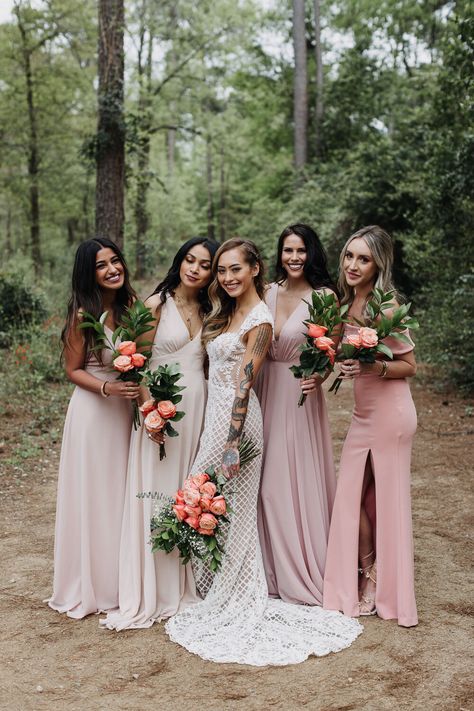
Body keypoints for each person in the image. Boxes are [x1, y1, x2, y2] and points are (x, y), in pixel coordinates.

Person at [165, 238, 362, 666]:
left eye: (235, 269)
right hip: (213, 414)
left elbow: (243, 384)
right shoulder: (226, 310)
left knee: (221, 500)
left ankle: (233, 585)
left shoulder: (260, 319)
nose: (227, 277)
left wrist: (233, 440)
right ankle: (210, 583)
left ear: (255, 269)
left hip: (235, 420)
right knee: (212, 499)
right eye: (221, 270)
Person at [102, 236, 218, 630]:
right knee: (156, 493)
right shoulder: (155, 305)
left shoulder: (210, 308)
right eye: (189, 259)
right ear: (179, 260)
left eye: (204, 264)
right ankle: (152, 587)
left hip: (197, 409)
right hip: (161, 414)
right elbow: (135, 364)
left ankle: (183, 583)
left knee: (186, 492)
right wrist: (151, 414)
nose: (195, 269)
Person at [323, 225, 418, 627]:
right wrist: (336, 363)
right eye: (349, 256)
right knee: (351, 497)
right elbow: (334, 353)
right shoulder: (343, 304)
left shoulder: (387, 307)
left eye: (363, 259)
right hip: (363, 416)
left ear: (378, 263)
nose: (353, 265)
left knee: (385, 502)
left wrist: (371, 364)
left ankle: (377, 582)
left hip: (391, 416)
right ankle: (366, 571)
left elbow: (409, 366)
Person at [47, 237, 140, 619]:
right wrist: (107, 387)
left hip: (125, 413)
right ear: (90, 273)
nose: (112, 269)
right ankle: (91, 584)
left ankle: (123, 580)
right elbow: (72, 370)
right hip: (93, 412)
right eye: (102, 265)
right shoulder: (81, 315)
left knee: (121, 494)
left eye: (115, 261)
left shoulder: (132, 307)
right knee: (95, 495)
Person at [256, 224, 338, 606]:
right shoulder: (267, 291)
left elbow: (330, 351)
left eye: (301, 251)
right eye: (288, 250)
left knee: (287, 480)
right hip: (262, 391)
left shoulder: (323, 297)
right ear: (279, 253)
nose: (294, 257)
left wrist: (318, 376)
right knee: (260, 479)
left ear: (311, 253)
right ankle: (266, 569)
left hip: (297, 395)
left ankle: (299, 567)